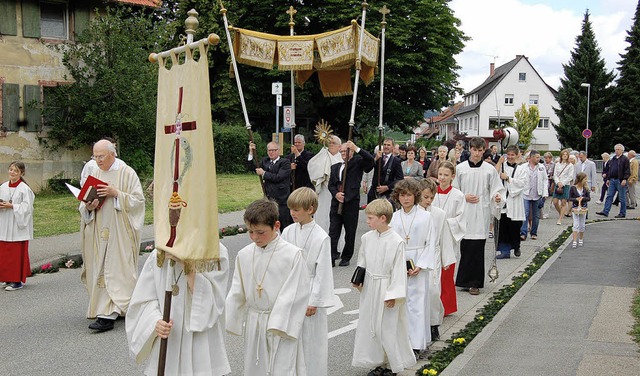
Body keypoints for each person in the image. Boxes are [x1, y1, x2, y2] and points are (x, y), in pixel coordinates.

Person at [225, 199, 310, 375]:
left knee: (282, 368)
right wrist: (233, 318)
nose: (255, 237)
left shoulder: (292, 255)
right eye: (250, 232)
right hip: (255, 321)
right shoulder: (244, 255)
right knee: (256, 367)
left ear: (276, 225)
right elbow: (236, 290)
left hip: (281, 324)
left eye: (260, 232)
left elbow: (295, 294)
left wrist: (277, 323)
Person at [125, 244, 231, 376]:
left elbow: (214, 301)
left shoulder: (215, 251)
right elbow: (144, 298)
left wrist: (186, 264)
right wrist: (155, 321)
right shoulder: (159, 254)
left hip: (200, 341)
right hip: (168, 340)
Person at [80, 140, 145, 332]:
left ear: (112, 154)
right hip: (99, 229)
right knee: (100, 268)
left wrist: (116, 193)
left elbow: (138, 201)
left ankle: (110, 313)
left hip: (120, 231)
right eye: (95, 156)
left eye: (100, 156)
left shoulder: (127, 172)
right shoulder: (94, 173)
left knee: (116, 270)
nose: (97, 160)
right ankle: (106, 309)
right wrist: (88, 207)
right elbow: (84, 202)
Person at [352, 199, 416, 375]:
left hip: (387, 288)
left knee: (387, 328)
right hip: (370, 288)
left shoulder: (396, 241)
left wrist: (393, 294)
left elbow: (398, 271)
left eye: (370, 218)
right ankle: (377, 362)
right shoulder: (367, 238)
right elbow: (362, 261)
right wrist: (358, 279)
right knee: (370, 326)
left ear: (382, 218)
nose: (367, 221)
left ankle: (391, 365)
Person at [281, 187, 334, 376]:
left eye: (296, 210)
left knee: (311, 340)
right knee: (290, 338)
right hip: (290, 290)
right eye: (291, 209)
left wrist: (314, 301)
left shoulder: (321, 237)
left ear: (310, 209)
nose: (292, 213)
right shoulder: (287, 232)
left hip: (310, 289)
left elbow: (323, 272)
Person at [389, 179, 436, 357]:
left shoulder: (425, 216)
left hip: (418, 261)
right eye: (402, 195)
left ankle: (417, 344)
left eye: (409, 195)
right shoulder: (394, 217)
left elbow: (430, 242)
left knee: (417, 304)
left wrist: (421, 265)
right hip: (400, 262)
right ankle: (403, 342)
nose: (405, 199)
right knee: (402, 304)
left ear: (415, 196)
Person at [453, 137, 504, 295]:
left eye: (480, 151)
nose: (476, 153)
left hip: (481, 212)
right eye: (474, 150)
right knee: (466, 246)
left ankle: (475, 282)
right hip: (465, 211)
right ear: (470, 149)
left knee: (477, 247)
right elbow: (454, 190)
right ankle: (463, 280)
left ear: (484, 151)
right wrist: (463, 197)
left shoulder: (489, 170)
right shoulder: (460, 168)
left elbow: (497, 189)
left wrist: (497, 197)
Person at [329, 141, 374, 266]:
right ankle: (331, 256)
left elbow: (370, 160)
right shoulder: (335, 167)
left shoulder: (357, 162)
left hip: (351, 203)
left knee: (350, 231)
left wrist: (356, 148)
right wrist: (336, 194)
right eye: (342, 151)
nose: (343, 153)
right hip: (336, 203)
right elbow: (331, 185)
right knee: (333, 231)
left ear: (351, 152)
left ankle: (346, 257)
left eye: (346, 151)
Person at [417, 178, 450, 343]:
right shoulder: (412, 212)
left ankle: (433, 324)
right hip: (416, 256)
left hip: (433, 255)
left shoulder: (439, 214)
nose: (429, 201)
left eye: (431, 197)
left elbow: (444, 237)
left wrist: (447, 259)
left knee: (432, 291)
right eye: (425, 197)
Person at [431, 161, 465, 316]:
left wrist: (444, 222)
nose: (442, 178)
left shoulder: (458, 195)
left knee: (446, 272)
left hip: (449, 238)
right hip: (432, 237)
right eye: (440, 175)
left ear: (453, 176)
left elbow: (461, 219)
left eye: (446, 175)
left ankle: (446, 306)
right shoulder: (431, 193)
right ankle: (433, 304)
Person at [0, 161, 34, 291]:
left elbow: (28, 208)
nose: (12, 172)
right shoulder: (3, 187)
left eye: (15, 171)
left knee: (15, 254)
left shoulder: (25, 189)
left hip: (16, 225)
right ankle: (7, 278)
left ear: (21, 173)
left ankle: (16, 281)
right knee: (4, 253)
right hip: (4, 223)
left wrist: (12, 206)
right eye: (11, 169)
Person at [248, 141, 293, 228]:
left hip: (282, 201)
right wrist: (251, 152)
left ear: (278, 151)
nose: (271, 152)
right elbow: (252, 167)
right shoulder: (265, 161)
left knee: (285, 226)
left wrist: (264, 173)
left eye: (273, 150)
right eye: (269, 150)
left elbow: (278, 177)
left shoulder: (285, 162)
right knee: (270, 226)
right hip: (269, 200)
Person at [494, 146, 528, 259]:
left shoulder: (522, 169)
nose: (510, 157)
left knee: (514, 226)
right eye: (508, 154)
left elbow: (522, 183)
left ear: (517, 155)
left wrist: (508, 178)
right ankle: (505, 251)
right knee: (503, 227)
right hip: (503, 201)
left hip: (515, 200)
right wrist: (499, 162)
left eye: (512, 155)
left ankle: (516, 246)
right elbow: (494, 176)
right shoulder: (502, 166)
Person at [308, 135, 343, 233]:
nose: (331, 145)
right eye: (330, 143)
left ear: (339, 147)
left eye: (334, 143)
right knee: (322, 215)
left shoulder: (342, 159)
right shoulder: (322, 156)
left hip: (336, 192)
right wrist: (321, 175)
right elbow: (311, 165)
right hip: (323, 191)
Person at [520, 150, 548, 240]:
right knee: (525, 213)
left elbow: (545, 180)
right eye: (537, 157)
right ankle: (523, 233)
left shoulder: (541, 167)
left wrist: (545, 193)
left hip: (537, 194)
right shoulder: (523, 167)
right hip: (526, 193)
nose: (538, 159)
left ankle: (534, 232)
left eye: (539, 157)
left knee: (536, 215)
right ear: (531, 157)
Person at [597, 144, 630, 218]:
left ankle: (622, 213)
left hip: (620, 180)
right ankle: (605, 211)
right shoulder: (613, 159)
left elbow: (627, 170)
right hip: (612, 180)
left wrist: (625, 179)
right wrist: (608, 179)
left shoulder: (625, 159)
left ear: (622, 150)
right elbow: (610, 169)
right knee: (609, 196)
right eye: (616, 149)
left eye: (618, 149)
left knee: (622, 197)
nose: (617, 151)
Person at [366, 137, 404, 203]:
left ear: (393, 147)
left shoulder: (396, 161)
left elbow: (400, 179)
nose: (386, 147)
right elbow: (367, 169)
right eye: (385, 144)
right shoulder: (376, 156)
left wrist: (387, 187)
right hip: (374, 192)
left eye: (388, 145)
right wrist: (375, 159)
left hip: (388, 194)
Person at [552, 149, 574, 226]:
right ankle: (561, 213)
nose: (565, 155)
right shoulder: (558, 164)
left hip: (565, 185)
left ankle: (560, 219)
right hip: (558, 184)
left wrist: (563, 183)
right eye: (563, 154)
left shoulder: (570, 165)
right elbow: (555, 175)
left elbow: (570, 176)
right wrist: (558, 182)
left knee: (563, 202)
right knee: (555, 202)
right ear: (561, 155)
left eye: (566, 154)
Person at [568, 172, 590, 248]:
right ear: (580, 179)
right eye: (585, 179)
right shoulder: (573, 188)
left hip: (583, 208)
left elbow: (588, 198)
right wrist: (576, 199)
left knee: (582, 224)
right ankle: (574, 240)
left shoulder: (586, 188)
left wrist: (583, 198)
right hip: (575, 208)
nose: (586, 180)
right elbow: (570, 198)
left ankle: (581, 238)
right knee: (576, 224)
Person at [541, 152, 556, 218]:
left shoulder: (554, 165)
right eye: (545, 158)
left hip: (551, 183)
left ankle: (546, 213)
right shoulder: (542, 165)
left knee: (548, 200)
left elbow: (555, 174)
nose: (546, 159)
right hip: (543, 183)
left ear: (551, 158)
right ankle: (540, 213)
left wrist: (551, 177)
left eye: (547, 158)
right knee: (542, 199)